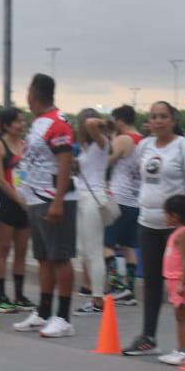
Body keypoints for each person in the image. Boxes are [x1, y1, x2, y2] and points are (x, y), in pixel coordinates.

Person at [122, 101, 185, 355]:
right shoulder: (144, 146)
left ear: (173, 120)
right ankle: (148, 336)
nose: (158, 121)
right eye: (154, 116)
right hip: (147, 223)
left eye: (163, 116)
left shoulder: (184, 147)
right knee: (151, 283)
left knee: (183, 284)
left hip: (175, 231)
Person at [12, 74, 80, 339]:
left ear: (33, 94)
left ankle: (63, 317)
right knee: (43, 258)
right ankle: (43, 311)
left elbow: (64, 163)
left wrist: (58, 201)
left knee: (60, 257)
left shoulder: (57, 123)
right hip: (36, 199)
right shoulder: (39, 123)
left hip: (53, 199)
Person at [0, 107, 33, 312]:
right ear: (7, 125)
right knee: (3, 249)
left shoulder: (25, 145)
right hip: (6, 204)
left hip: (25, 203)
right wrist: (18, 199)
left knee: (21, 251)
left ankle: (20, 295)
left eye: (22, 121)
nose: (21, 125)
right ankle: (1, 296)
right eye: (17, 121)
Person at [104, 105, 144, 306]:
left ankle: (116, 285)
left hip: (118, 196)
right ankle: (130, 289)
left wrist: (110, 140)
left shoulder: (123, 139)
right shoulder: (144, 141)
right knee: (129, 246)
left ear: (119, 120)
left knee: (106, 244)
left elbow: (106, 161)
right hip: (136, 199)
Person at [73, 108, 111, 314]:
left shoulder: (102, 143)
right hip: (82, 198)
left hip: (92, 199)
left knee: (94, 251)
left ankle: (98, 299)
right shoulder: (87, 148)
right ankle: (94, 295)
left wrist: (96, 121)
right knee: (85, 251)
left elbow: (91, 124)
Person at [157, 195, 185, 366]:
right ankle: (180, 348)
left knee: (184, 315)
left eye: (165, 213)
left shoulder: (183, 233)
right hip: (172, 279)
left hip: (179, 280)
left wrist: (183, 282)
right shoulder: (177, 232)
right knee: (179, 316)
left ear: (175, 216)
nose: (164, 217)